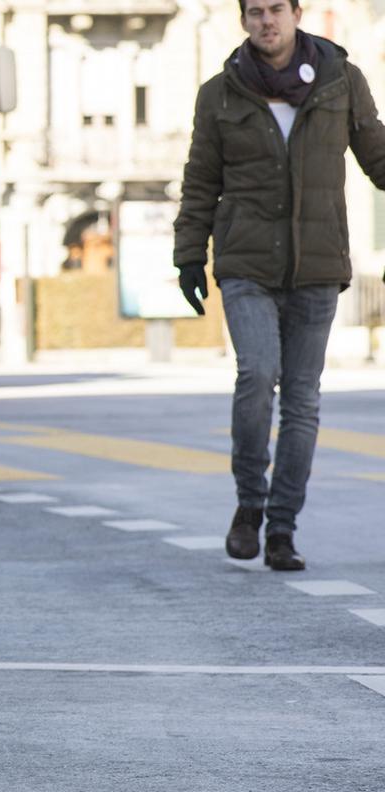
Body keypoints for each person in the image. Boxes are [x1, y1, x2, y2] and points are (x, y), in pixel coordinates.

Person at [173, 0, 385, 571]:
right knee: (256, 373)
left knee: (302, 402)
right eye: (255, 12)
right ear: (244, 20)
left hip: (317, 267)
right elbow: (200, 181)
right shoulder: (221, 92)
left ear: (296, 13)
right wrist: (189, 255)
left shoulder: (342, 79)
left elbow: (378, 157)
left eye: (276, 10)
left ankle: (282, 529)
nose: (266, 21)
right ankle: (249, 504)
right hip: (246, 265)